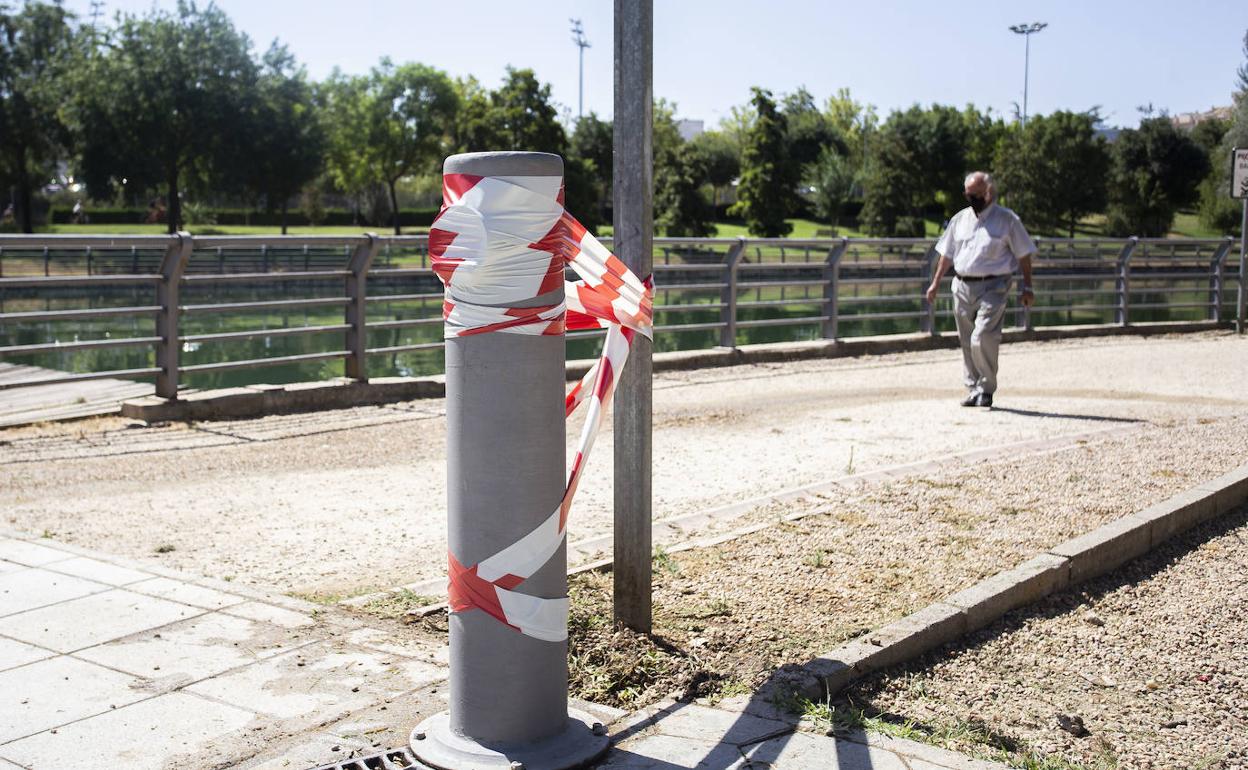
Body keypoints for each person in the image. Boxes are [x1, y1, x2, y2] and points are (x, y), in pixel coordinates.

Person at [925, 171, 1036, 408]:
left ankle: (986, 388)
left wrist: (1028, 286)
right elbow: (947, 255)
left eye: (976, 194)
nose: (972, 198)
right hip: (962, 285)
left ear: (988, 192)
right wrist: (935, 283)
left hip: (995, 285)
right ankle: (973, 388)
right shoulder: (960, 220)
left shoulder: (1007, 220)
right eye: (968, 194)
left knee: (982, 335)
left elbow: (1024, 254)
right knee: (966, 340)